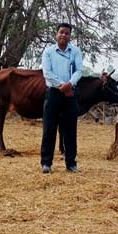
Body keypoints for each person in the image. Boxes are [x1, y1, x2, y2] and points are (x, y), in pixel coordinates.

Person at [40, 23, 83, 174]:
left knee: (70, 130)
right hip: (53, 93)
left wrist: (70, 84)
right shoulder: (49, 52)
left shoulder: (76, 51)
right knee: (49, 129)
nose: (64, 35)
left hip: (71, 94)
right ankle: (46, 163)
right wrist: (62, 86)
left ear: (70, 36)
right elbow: (47, 73)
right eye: (61, 32)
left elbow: (79, 71)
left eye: (67, 33)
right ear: (56, 34)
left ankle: (71, 163)